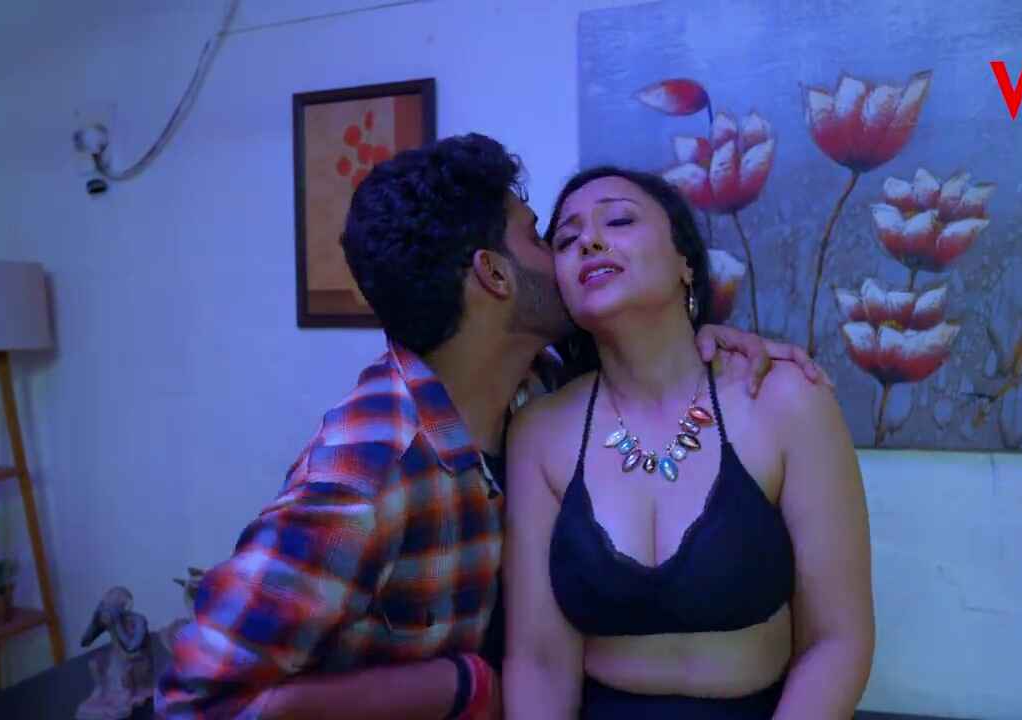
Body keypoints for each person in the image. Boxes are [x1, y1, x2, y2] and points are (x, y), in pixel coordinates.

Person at [155, 135, 825, 719]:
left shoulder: (531, 387)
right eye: (546, 238)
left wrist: (709, 341)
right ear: (494, 275)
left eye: (615, 223)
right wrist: (458, 684)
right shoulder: (368, 470)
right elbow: (194, 701)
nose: (575, 249)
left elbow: (652, 370)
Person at [504, 167, 875, 718]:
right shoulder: (539, 431)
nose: (589, 241)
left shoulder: (785, 400)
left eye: (619, 220)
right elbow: (538, 661)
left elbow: (837, 641)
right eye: (566, 239)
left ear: (685, 263)